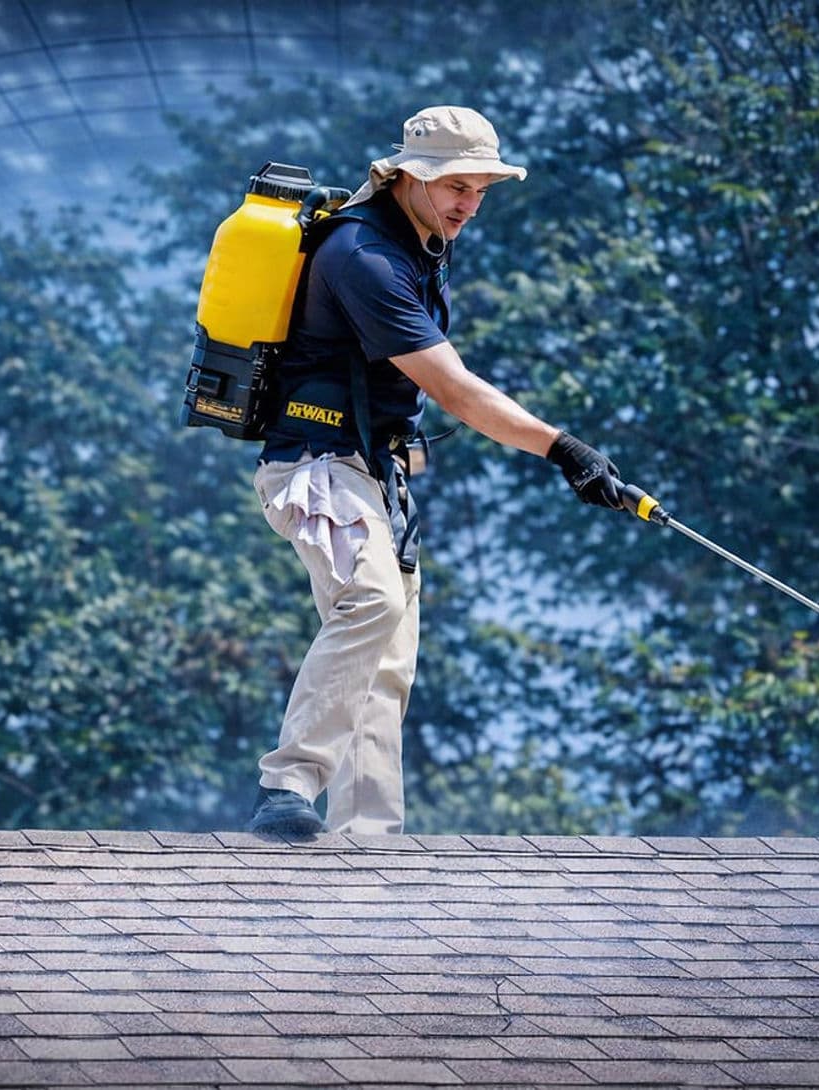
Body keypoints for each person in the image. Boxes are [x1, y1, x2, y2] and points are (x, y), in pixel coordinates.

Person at [248, 105, 622, 838]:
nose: (467, 204)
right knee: (372, 603)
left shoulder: (418, 243)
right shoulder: (365, 256)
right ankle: (285, 786)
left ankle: (370, 837)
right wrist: (564, 448)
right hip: (316, 466)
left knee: (386, 664)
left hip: (374, 471)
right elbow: (454, 389)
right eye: (455, 185)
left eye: (481, 189)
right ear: (409, 177)